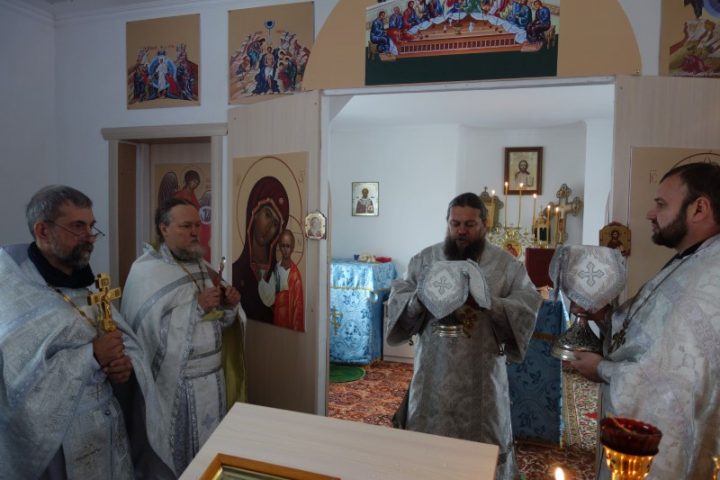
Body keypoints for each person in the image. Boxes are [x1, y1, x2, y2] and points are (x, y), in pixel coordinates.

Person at [0, 185, 172, 479]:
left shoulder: (88, 285)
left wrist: (124, 366)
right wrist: (91, 356)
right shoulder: (14, 293)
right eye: (77, 227)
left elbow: (121, 343)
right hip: (58, 443)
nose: (90, 237)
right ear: (42, 231)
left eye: (91, 226)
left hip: (108, 427)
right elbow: (15, 385)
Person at [570, 162, 720, 479]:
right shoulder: (693, 259)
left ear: (699, 208)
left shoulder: (712, 276)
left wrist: (602, 369)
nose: (651, 214)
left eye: (661, 204)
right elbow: (649, 331)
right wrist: (604, 316)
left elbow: (676, 381)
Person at [386, 192, 541, 480]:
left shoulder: (505, 265)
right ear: (447, 223)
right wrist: (419, 300)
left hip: (482, 375)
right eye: (455, 224)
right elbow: (399, 296)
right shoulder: (426, 260)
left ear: (484, 225)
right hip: (433, 372)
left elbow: (528, 303)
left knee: (483, 446)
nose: (461, 231)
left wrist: (489, 303)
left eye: (470, 225)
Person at [121, 197, 247, 476]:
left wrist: (229, 305)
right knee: (183, 457)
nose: (194, 232)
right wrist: (196, 307)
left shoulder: (201, 265)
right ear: (164, 228)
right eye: (186, 226)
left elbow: (219, 325)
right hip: (178, 384)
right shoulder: (145, 272)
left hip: (213, 379)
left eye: (197, 226)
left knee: (212, 451)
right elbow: (144, 336)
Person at [232, 176, 289, 323]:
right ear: (254, 212)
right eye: (267, 215)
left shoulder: (277, 273)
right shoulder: (236, 271)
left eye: (275, 224)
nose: (269, 228)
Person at [259, 229, 305, 331]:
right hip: (278, 316)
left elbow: (298, 305)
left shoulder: (295, 274)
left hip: (289, 318)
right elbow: (270, 293)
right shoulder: (276, 268)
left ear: (292, 248)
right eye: (283, 246)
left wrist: (295, 328)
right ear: (279, 247)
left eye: (288, 246)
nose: (285, 250)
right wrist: (261, 280)